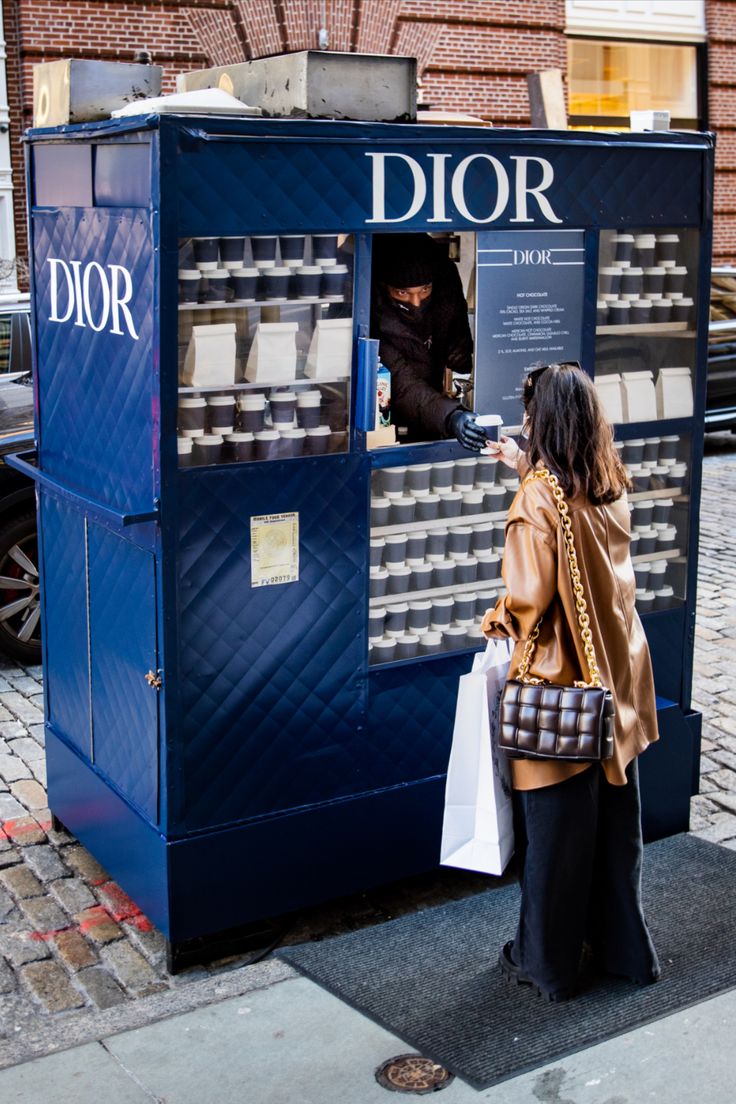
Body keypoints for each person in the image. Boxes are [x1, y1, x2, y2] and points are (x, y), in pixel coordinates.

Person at [480, 362, 660, 1002]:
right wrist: (526, 465)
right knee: (614, 830)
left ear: (542, 423)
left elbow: (529, 596)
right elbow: (578, 529)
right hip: (618, 681)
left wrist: (496, 615)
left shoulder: (537, 498)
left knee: (554, 841)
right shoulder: (610, 482)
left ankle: (546, 964)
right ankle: (623, 951)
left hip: (561, 690)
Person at [370, 233, 487, 449]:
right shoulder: (371, 318)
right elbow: (401, 384)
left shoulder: (445, 294)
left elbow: (460, 346)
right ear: (384, 288)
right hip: (384, 422)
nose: (415, 302)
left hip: (433, 417)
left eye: (424, 289)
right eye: (402, 292)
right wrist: (450, 416)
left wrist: (461, 356)